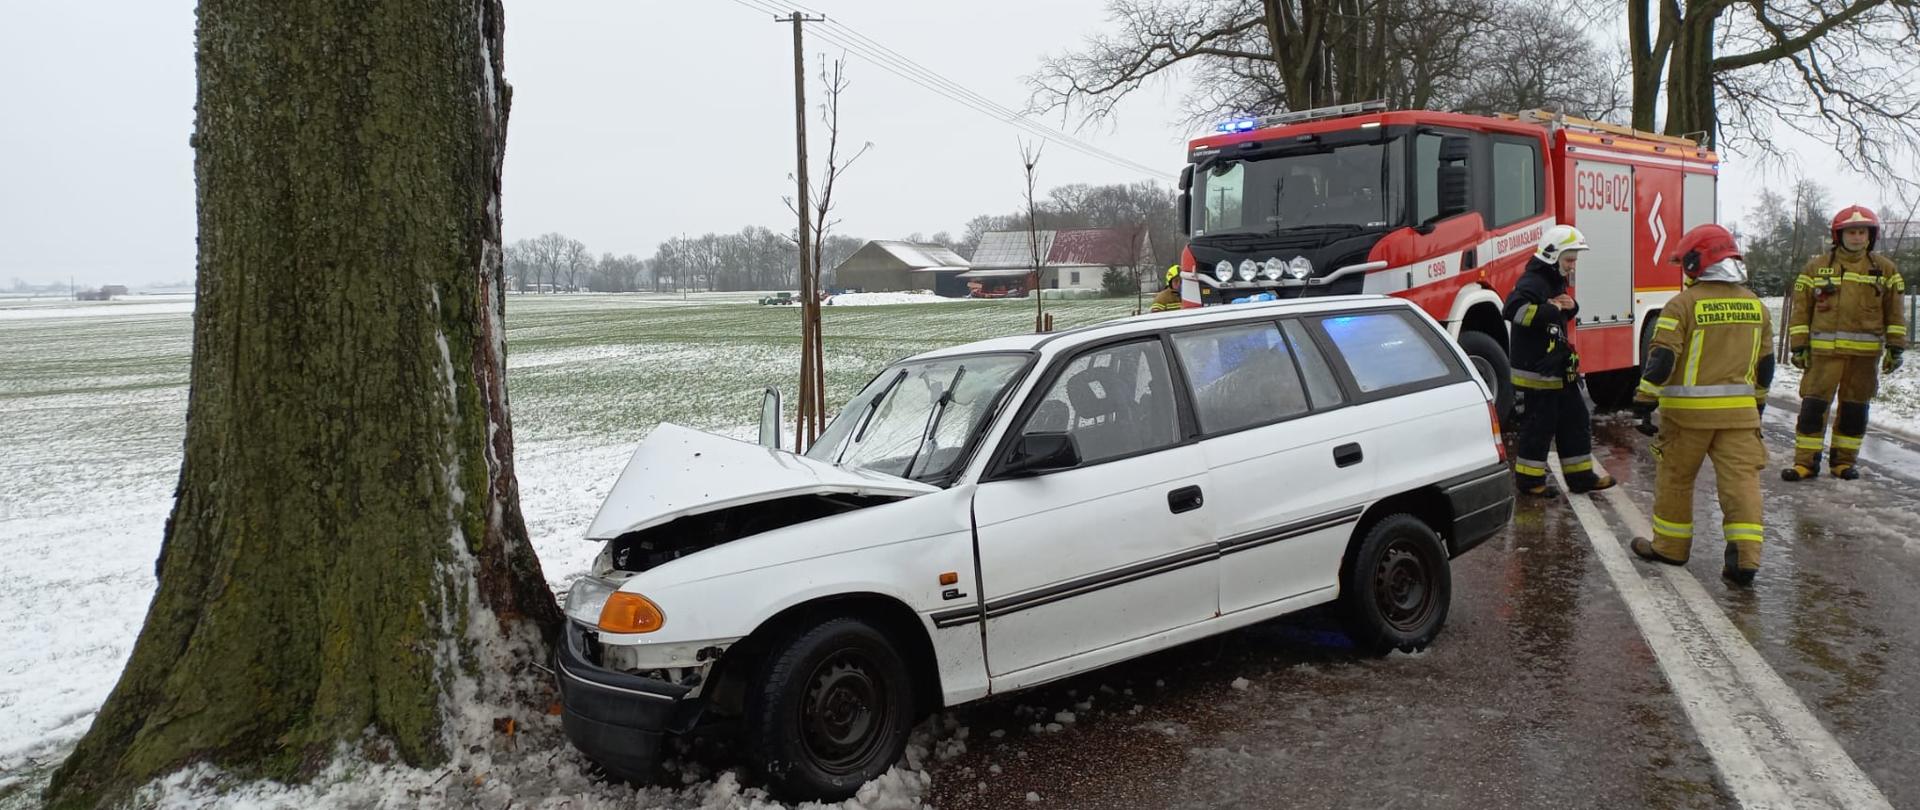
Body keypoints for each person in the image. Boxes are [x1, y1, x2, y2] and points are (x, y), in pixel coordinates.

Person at [1629, 224, 1774, 586]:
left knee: (1676, 480)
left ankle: (1671, 548)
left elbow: (1661, 358)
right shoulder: (1756, 306)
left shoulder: (1683, 304)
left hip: (1686, 419)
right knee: (1742, 484)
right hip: (1740, 418)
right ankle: (1744, 559)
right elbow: (1766, 365)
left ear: (1696, 263)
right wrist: (1757, 404)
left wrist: (1645, 400)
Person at [1782, 205, 1908, 481]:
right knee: (1813, 408)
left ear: (1870, 236)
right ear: (1839, 235)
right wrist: (1799, 345)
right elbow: (1801, 310)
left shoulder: (1885, 270)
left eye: (1862, 232)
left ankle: (1843, 462)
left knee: (1854, 410)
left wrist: (1896, 347)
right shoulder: (1816, 268)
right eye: (1851, 232)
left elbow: (1895, 312)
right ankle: (1805, 463)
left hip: (1863, 359)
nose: (1857, 237)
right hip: (1823, 356)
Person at [1504, 225, 1616, 497]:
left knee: (1575, 419)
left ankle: (1581, 478)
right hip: (1537, 371)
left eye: (1574, 259)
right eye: (1569, 259)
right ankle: (1530, 483)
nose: (1573, 265)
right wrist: (1551, 308)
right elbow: (1514, 311)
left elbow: (1558, 315)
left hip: (1555, 368)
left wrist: (1570, 307)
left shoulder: (1554, 278)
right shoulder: (1534, 280)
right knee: (1539, 426)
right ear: (1553, 255)